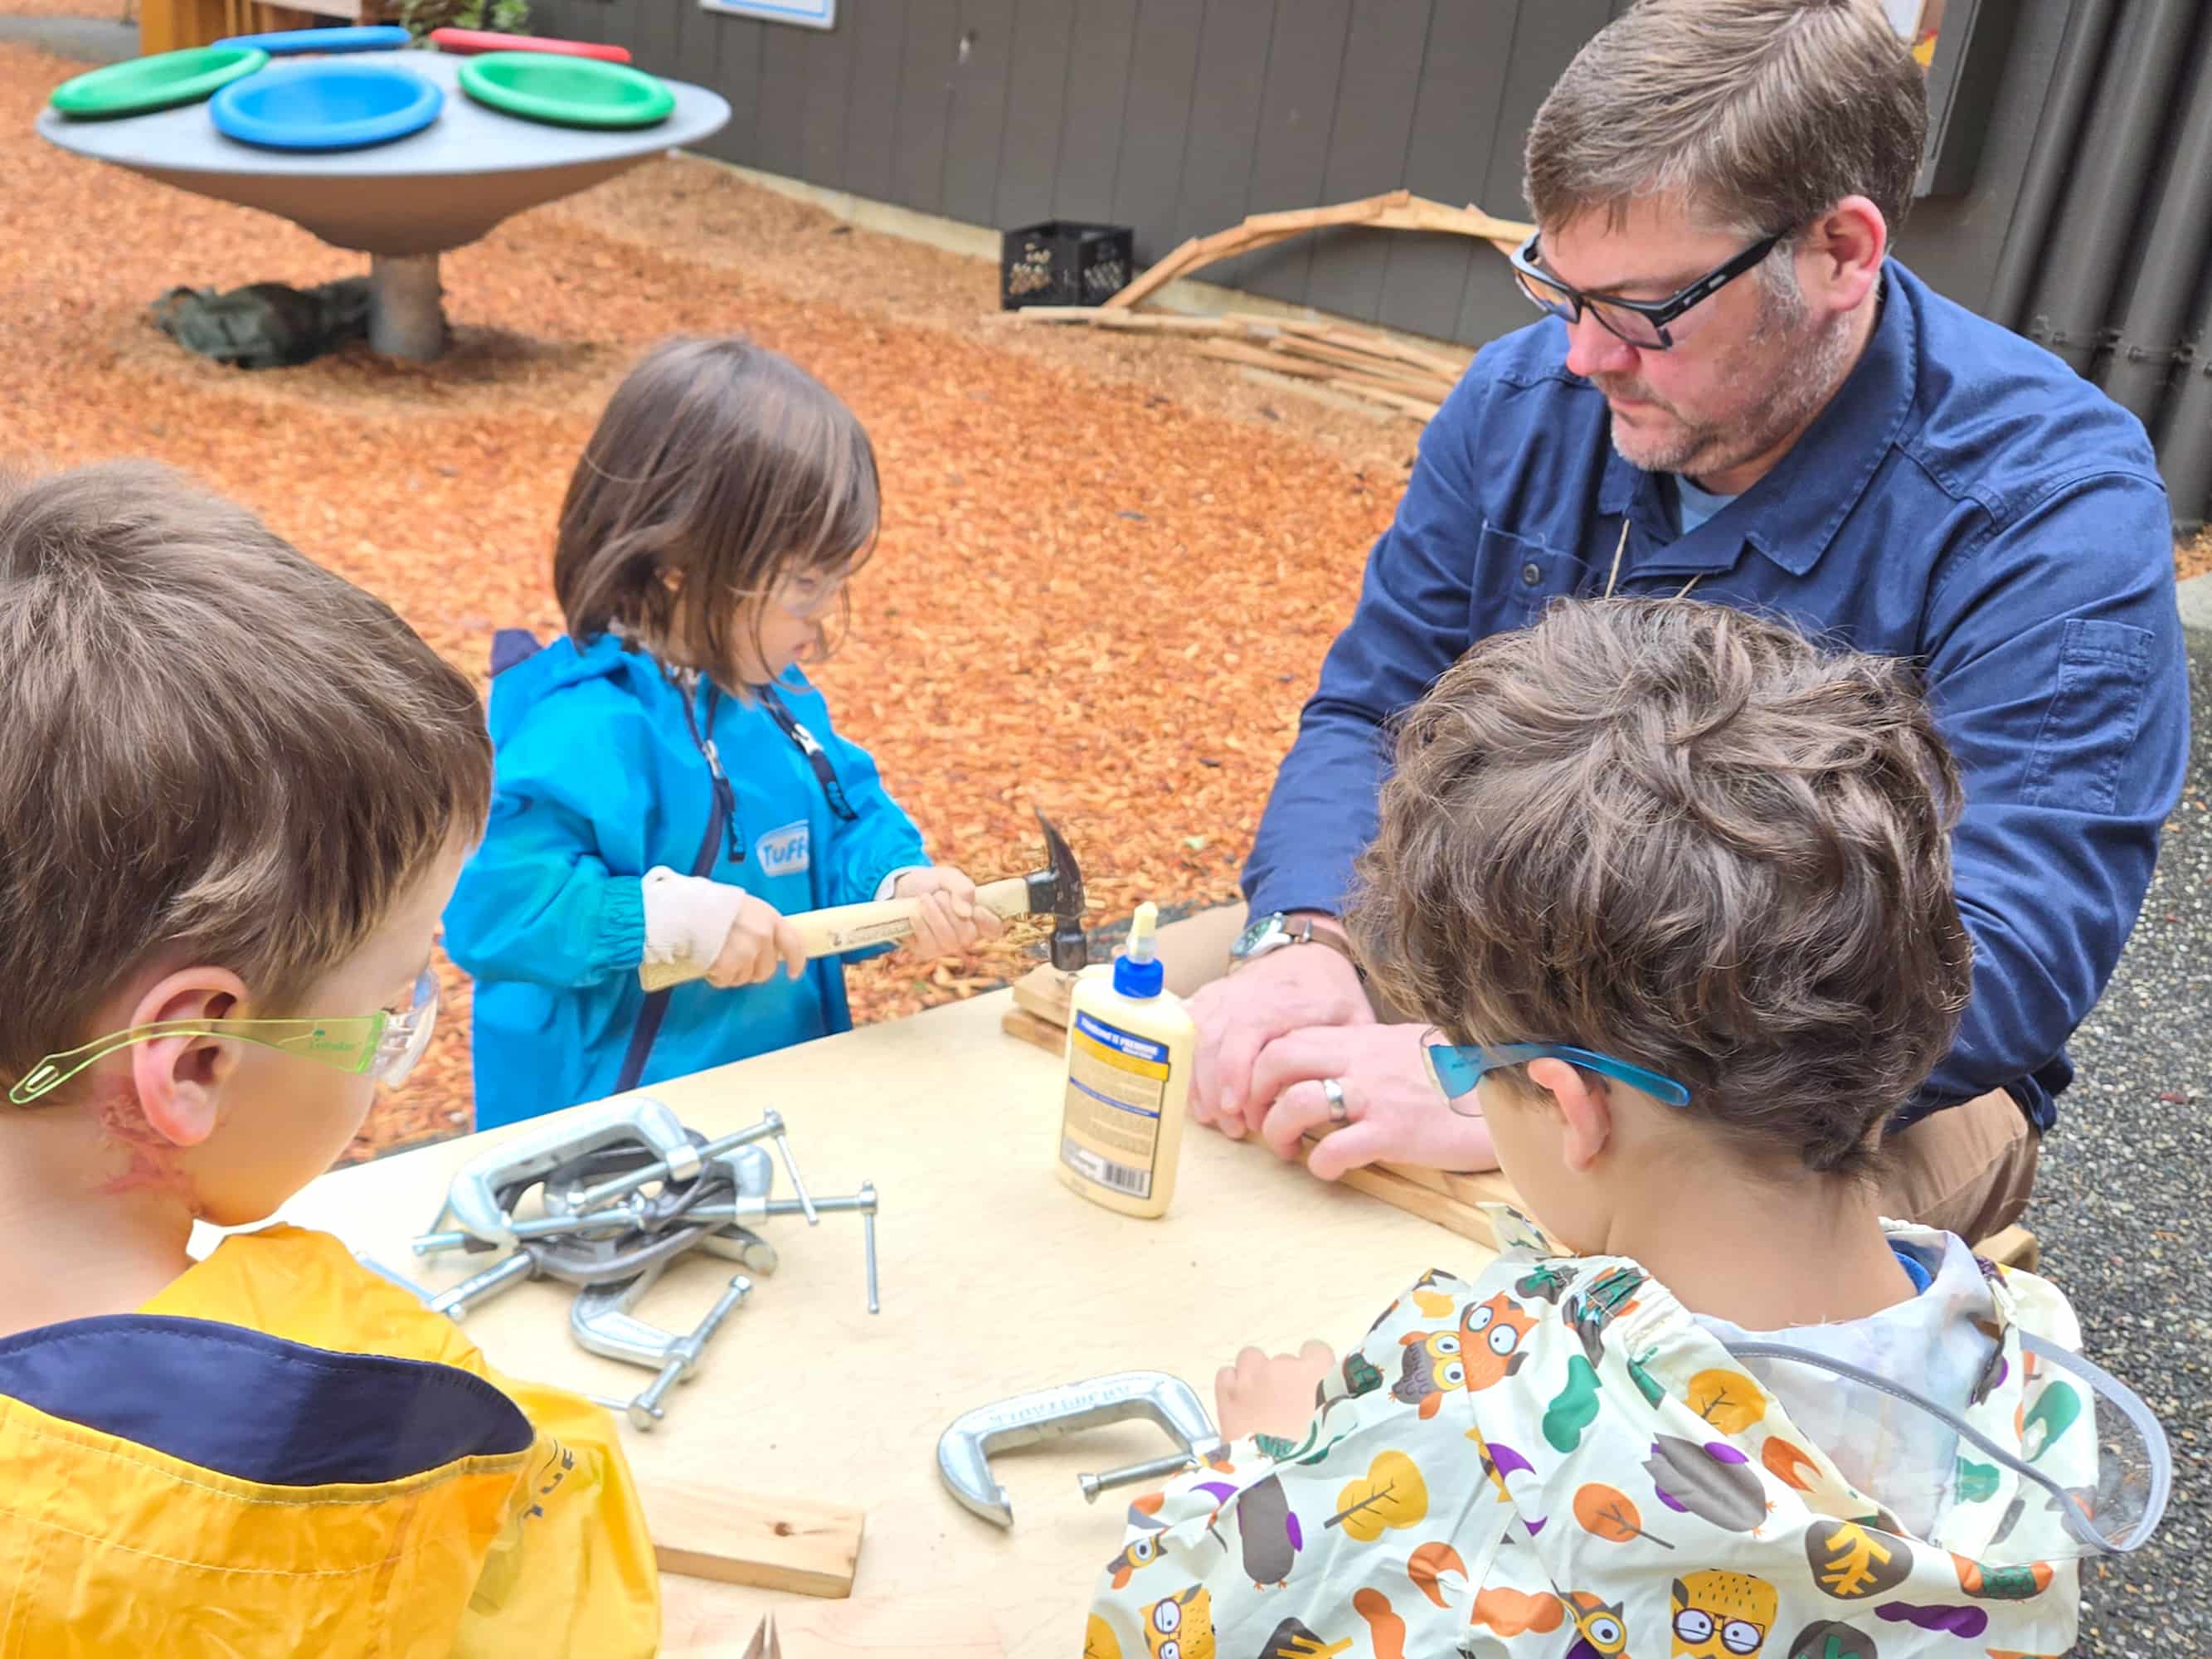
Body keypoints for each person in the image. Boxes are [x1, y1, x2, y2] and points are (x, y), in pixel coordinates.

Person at [1189, 0, 2190, 1243]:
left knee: (1597, 1275)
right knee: (1180, 1042)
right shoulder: (1516, 406)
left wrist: (1522, 1086)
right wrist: (1306, 940)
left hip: (1822, 1072)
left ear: (1837, 252)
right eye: (1556, 286)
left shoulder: (2044, 511)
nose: (1576, 361)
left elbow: (2004, 952)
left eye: (1641, 310)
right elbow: (1370, 708)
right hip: (1493, 945)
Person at [1085, 598, 2167, 1658]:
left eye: (1461, 1061)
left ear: (1567, 1105)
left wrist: (1264, 1467)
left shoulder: (1470, 1453)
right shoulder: (2025, 1398)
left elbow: (1151, 1620)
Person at [0, 463, 659, 1654]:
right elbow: (579, 1582)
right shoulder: (357, 1426)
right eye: (396, 992)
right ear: (194, 1057)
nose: (405, 1026)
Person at [445, 336, 1000, 1128]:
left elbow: (844, 826)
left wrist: (897, 886)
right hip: (608, 1140)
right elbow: (494, 913)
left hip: (767, 1106)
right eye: (805, 586)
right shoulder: (585, 728)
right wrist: (664, 924)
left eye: (835, 583)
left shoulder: (775, 700)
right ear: (682, 561)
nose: (821, 619)